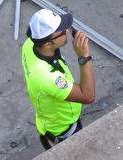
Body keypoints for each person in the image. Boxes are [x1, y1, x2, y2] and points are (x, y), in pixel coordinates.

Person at [21, 9, 95, 150]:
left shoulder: (29, 45)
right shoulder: (47, 77)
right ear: (48, 44)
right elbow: (88, 96)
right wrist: (83, 57)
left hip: (51, 119)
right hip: (63, 131)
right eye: (62, 32)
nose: (67, 31)